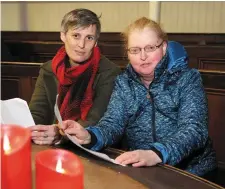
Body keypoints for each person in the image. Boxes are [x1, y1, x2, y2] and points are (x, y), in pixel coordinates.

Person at [60, 17, 217, 176]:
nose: (143, 57)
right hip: (145, 170)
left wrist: (156, 153)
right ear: (127, 53)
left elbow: (194, 130)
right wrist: (89, 135)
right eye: (135, 50)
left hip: (192, 171)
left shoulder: (187, 79)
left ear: (163, 47)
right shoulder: (124, 82)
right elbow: (113, 124)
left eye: (150, 48)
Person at [29, 9, 121, 145]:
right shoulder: (48, 69)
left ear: (96, 42)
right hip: (49, 144)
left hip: (88, 146)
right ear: (63, 36)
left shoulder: (109, 72)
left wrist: (58, 133)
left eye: (89, 38)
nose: (81, 45)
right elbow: (37, 113)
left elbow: (94, 121)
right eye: (76, 36)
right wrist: (32, 129)